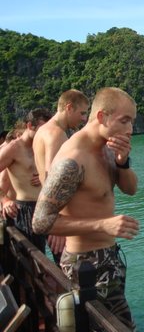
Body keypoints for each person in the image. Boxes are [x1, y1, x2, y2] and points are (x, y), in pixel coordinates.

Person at [32, 87, 139, 332]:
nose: (130, 129)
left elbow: (131, 189)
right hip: (86, 265)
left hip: (109, 257)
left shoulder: (107, 149)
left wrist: (123, 162)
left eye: (132, 122)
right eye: (124, 121)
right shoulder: (72, 160)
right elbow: (40, 222)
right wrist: (102, 224)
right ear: (102, 117)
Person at [33, 89, 90, 264]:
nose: (84, 119)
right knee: (74, 273)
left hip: (48, 210)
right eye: (81, 113)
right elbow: (54, 179)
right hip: (58, 215)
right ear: (69, 107)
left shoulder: (42, 131)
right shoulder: (57, 134)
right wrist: (58, 225)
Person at [0, 108, 52, 252]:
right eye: (42, 129)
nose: (45, 134)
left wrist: (43, 178)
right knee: (34, 258)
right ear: (30, 126)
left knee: (61, 254)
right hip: (26, 210)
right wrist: (4, 200)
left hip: (48, 206)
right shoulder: (14, 149)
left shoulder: (46, 146)